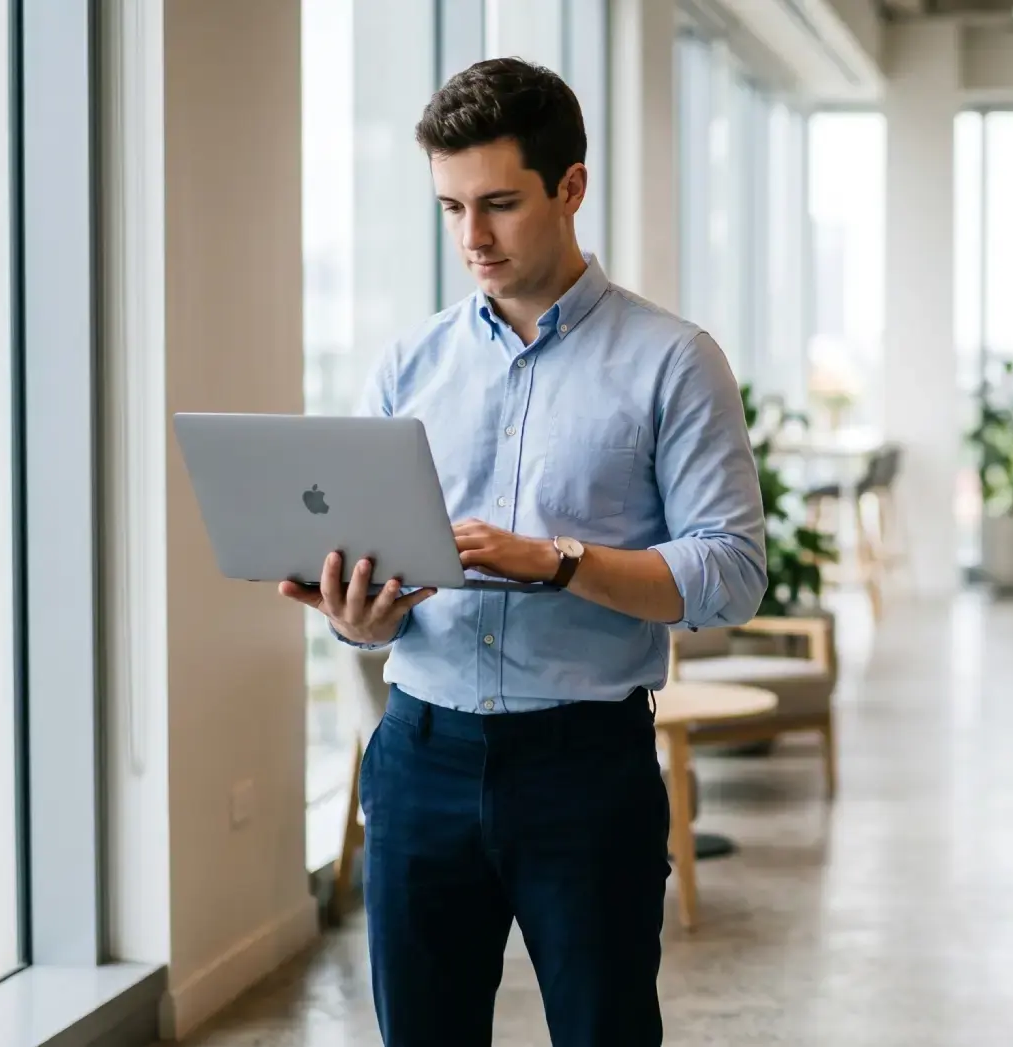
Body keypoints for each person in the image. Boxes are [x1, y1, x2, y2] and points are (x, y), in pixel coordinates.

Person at [281, 59, 765, 1047]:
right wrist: (358, 618)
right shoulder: (406, 366)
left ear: (570, 188)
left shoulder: (673, 361)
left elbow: (730, 573)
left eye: (499, 203)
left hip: (585, 767)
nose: (473, 238)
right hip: (420, 757)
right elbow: (377, 582)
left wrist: (557, 561)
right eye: (452, 207)